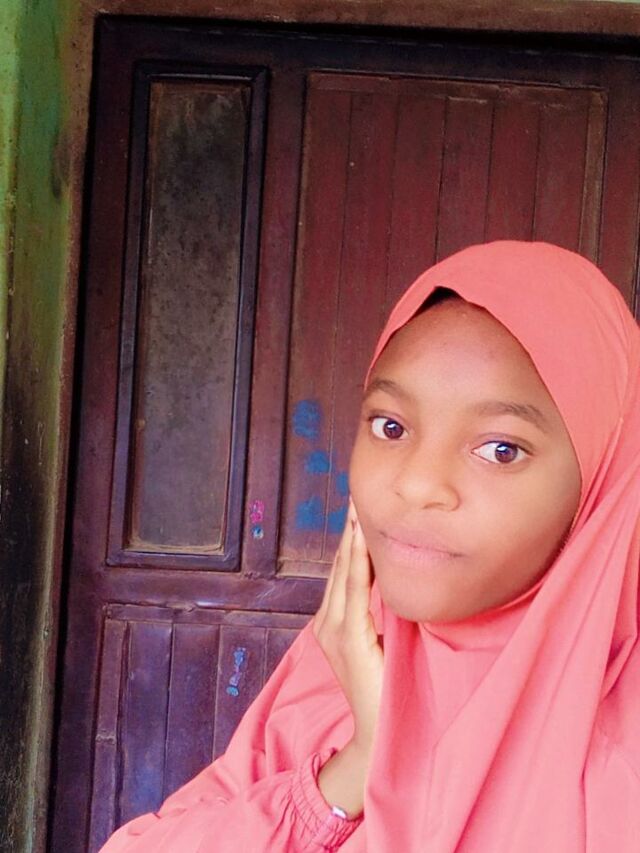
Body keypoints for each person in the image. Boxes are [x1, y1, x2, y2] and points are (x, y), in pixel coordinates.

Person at [99, 241, 640, 852]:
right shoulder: (337, 677)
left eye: (501, 449)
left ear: (603, 483)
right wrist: (361, 760)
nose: (417, 483)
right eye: (391, 426)